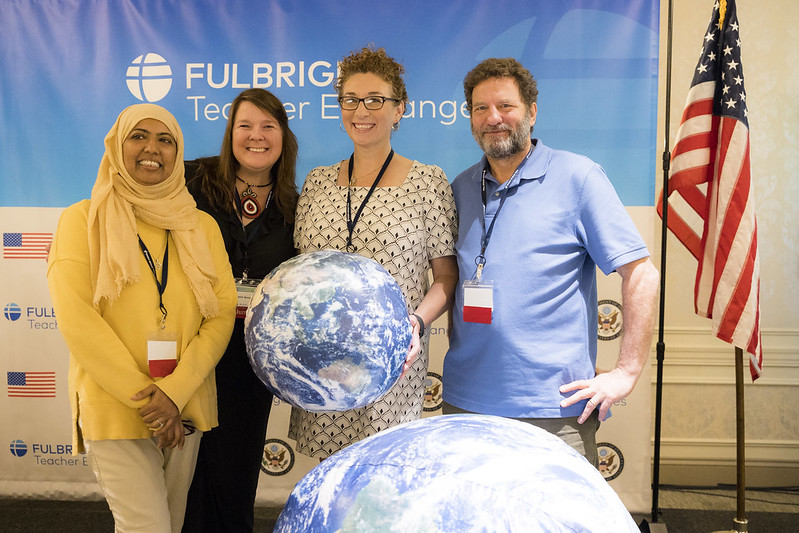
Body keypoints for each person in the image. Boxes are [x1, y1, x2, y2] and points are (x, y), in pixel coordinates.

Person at [443, 58, 660, 466]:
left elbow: (641, 274)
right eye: (480, 108)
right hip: (464, 402)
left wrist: (626, 372)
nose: (493, 118)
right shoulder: (460, 187)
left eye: (505, 106)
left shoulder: (578, 178)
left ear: (531, 111)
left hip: (554, 410)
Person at [47, 104, 237, 532]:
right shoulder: (82, 221)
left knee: (168, 523)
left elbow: (221, 314)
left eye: (165, 139)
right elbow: (78, 321)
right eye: (138, 136)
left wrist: (174, 393)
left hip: (185, 404)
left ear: (177, 153)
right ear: (117, 146)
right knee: (146, 527)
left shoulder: (201, 226)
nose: (152, 148)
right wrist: (152, 401)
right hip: (117, 406)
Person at [289, 46, 458, 458]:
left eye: (375, 100)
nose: (360, 111)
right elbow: (301, 271)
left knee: (381, 481)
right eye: (350, 100)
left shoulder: (427, 183)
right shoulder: (318, 183)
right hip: (323, 358)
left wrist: (414, 324)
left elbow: (446, 278)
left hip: (391, 360)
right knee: (327, 483)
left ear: (399, 109)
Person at [181, 88, 298, 532]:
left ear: (284, 136)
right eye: (245, 125)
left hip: (251, 358)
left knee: (236, 472)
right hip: (190, 349)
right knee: (184, 470)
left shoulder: (293, 204)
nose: (256, 136)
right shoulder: (192, 180)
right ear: (230, 131)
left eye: (269, 126)